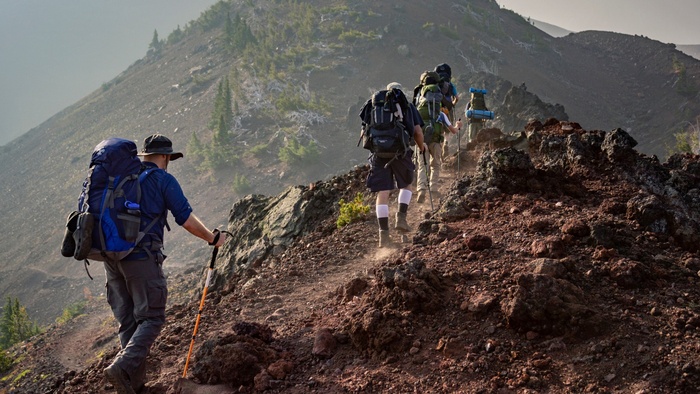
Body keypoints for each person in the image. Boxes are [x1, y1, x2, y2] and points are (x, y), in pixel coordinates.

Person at [103, 134, 227, 394]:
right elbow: (186, 218)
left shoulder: (122, 179)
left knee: (129, 322)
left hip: (111, 260)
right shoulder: (162, 179)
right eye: (169, 157)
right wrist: (212, 238)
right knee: (152, 318)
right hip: (141, 259)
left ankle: (133, 386)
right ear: (166, 157)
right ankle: (122, 367)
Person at [360, 82, 426, 247]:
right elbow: (417, 132)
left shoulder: (372, 106)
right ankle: (401, 218)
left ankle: (384, 236)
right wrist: (421, 147)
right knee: (406, 186)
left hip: (378, 154)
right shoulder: (407, 106)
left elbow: (364, 132)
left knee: (382, 193)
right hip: (400, 153)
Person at [415, 108, 462, 203]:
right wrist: (458, 126)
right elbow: (453, 131)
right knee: (435, 165)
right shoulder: (441, 114)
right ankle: (433, 189)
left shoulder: (418, 112)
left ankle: (421, 190)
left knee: (423, 165)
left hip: (421, 142)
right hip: (436, 143)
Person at [434, 63, 460, 158]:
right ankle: (446, 142)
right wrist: (452, 104)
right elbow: (457, 98)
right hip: (447, 109)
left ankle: (439, 148)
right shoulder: (450, 84)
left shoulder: (435, 84)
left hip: (437, 109)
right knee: (447, 130)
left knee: (439, 130)